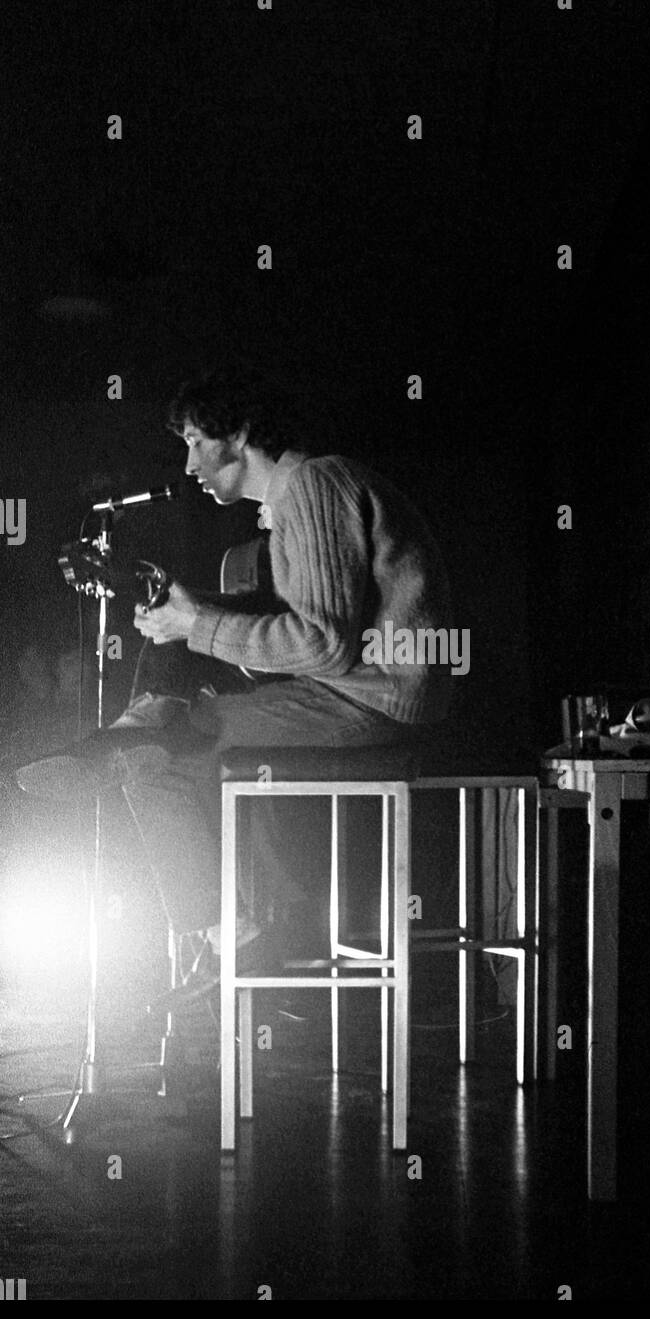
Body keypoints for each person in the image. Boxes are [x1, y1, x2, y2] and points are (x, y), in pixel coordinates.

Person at [17, 364, 453, 996]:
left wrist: (198, 624)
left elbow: (323, 644)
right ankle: (222, 925)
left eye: (197, 441)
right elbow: (317, 630)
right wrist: (192, 624)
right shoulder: (299, 497)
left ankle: (228, 933)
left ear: (241, 432)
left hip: (370, 702)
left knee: (154, 750)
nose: (189, 464)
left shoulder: (312, 485)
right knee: (161, 731)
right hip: (356, 694)